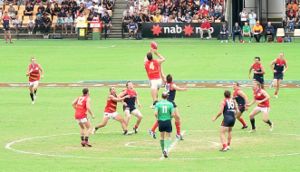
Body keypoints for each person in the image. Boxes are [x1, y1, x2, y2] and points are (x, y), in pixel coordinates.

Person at [149, 73, 187, 140]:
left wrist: (160, 66)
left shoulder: (166, 82)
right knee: (175, 118)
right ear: (171, 79)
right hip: (170, 103)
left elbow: (162, 74)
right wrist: (184, 89)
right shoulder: (172, 85)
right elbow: (178, 89)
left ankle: (152, 130)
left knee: (166, 118)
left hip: (166, 101)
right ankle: (178, 134)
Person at [155, 92, 175, 158]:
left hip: (161, 121)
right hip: (168, 121)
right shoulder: (170, 104)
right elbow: (172, 114)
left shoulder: (158, 104)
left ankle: (163, 150)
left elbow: (155, 113)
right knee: (168, 136)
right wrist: (170, 117)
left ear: (161, 97)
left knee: (161, 136)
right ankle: (166, 149)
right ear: (167, 97)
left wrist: (158, 118)